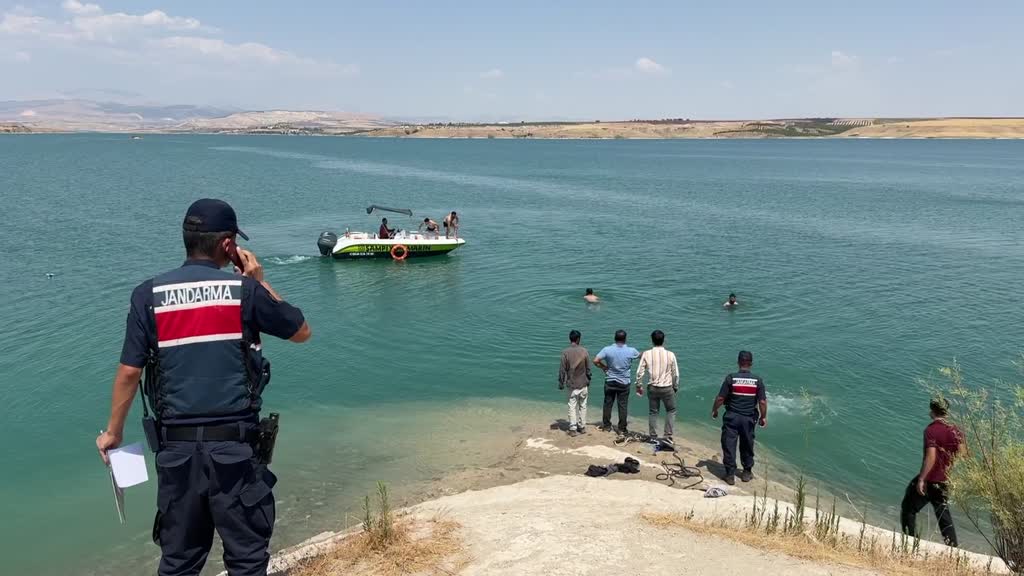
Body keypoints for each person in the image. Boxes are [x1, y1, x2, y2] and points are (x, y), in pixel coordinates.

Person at [95, 199, 312, 576]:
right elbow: (301, 332)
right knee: (246, 560)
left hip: (177, 456)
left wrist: (113, 433)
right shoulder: (243, 291)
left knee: (179, 562)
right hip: (236, 454)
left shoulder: (148, 295)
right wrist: (258, 282)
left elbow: (130, 372)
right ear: (229, 246)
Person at [900, 397, 962, 547]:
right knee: (943, 515)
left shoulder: (931, 430)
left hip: (930, 480)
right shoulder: (956, 430)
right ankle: (953, 547)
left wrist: (922, 479)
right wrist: (948, 468)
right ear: (947, 411)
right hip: (944, 480)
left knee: (908, 508)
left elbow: (931, 456)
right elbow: (963, 453)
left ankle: (911, 542)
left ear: (932, 411)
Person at [711, 350, 766, 485]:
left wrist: (714, 410)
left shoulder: (731, 378)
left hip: (732, 417)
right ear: (751, 363)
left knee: (729, 444)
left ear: (738, 362)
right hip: (748, 418)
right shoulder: (757, 380)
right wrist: (763, 417)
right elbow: (762, 402)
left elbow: (720, 398)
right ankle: (746, 472)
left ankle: (730, 475)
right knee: (747, 443)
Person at [635, 330, 679, 442]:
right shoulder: (670, 354)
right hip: (667, 387)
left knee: (653, 412)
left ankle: (653, 437)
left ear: (652, 340)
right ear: (664, 340)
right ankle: (667, 436)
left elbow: (639, 372)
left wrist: (639, 385)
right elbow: (676, 374)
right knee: (671, 410)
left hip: (653, 387)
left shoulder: (646, 354)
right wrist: (675, 386)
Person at [594, 330, 640, 435]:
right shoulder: (631, 351)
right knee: (622, 406)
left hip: (610, 381)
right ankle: (622, 428)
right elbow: (641, 356)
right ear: (625, 339)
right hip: (624, 383)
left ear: (615, 338)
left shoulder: (607, 349)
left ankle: (606, 426)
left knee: (607, 404)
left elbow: (595, 360)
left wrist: (604, 367)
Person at [558, 330, 592, 437]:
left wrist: (561, 382)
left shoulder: (565, 352)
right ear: (578, 339)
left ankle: (572, 428)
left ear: (570, 339)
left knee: (572, 406)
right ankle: (582, 427)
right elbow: (588, 369)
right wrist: (589, 379)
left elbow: (562, 370)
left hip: (572, 384)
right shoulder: (584, 351)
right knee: (583, 405)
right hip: (583, 383)